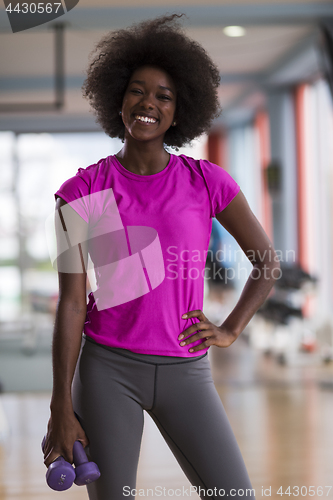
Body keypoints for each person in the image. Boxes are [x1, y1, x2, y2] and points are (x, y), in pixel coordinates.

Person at [43, 13, 280, 500]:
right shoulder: (80, 192)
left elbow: (267, 263)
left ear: (179, 110)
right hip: (107, 369)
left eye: (163, 96)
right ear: (118, 99)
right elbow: (72, 303)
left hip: (186, 371)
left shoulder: (207, 182)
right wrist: (59, 408)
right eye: (137, 90)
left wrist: (231, 328)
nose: (148, 103)